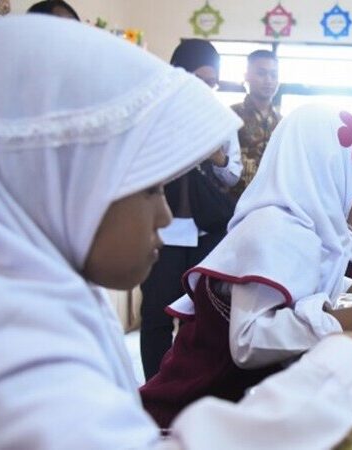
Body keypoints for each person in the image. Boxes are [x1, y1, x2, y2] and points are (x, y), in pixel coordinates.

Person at [0, 15, 352, 450]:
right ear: (63, 182)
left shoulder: (50, 301)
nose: (163, 214)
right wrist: (335, 378)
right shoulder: (13, 341)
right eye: (151, 188)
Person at [140, 106, 352, 427]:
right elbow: (248, 341)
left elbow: (302, 277)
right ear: (327, 170)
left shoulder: (307, 226)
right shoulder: (275, 228)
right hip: (193, 416)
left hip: (237, 409)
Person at [139, 38, 242, 381]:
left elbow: (233, 174)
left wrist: (217, 156)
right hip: (160, 230)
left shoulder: (220, 118)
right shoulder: (152, 112)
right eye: (199, 79)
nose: (206, 89)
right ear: (178, 73)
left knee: (198, 315)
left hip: (206, 230)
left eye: (212, 83)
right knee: (155, 313)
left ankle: (183, 384)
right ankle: (154, 386)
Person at [230, 50, 281, 199]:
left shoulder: (283, 122)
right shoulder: (231, 116)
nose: (268, 80)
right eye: (261, 73)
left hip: (271, 203)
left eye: (273, 75)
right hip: (233, 202)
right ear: (247, 76)